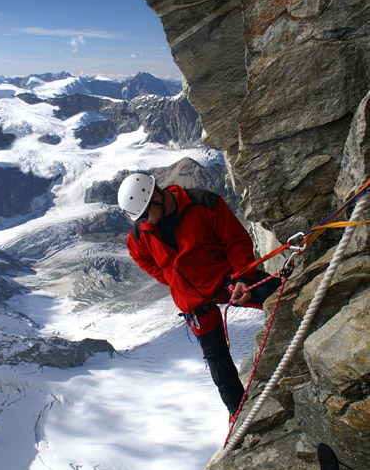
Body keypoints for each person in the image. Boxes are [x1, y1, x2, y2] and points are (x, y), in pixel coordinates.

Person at [117, 172, 279, 423]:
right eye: (140, 217)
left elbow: (236, 241)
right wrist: (173, 280)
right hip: (192, 300)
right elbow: (143, 259)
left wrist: (243, 279)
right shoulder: (142, 232)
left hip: (226, 278)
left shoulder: (203, 202)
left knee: (278, 294)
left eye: (146, 214)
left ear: (156, 198)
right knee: (216, 357)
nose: (144, 221)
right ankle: (238, 413)